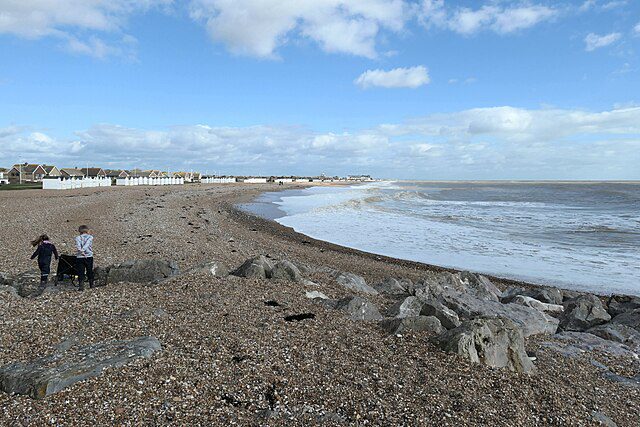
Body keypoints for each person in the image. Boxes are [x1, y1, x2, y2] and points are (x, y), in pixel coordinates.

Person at [75, 225, 94, 291]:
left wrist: (81, 250)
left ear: (80, 231)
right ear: (87, 230)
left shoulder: (77, 238)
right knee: (89, 270)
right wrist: (83, 250)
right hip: (89, 256)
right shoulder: (90, 237)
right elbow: (87, 244)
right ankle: (91, 285)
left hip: (80, 257)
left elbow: (78, 246)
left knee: (81, 271)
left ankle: (81, 286)